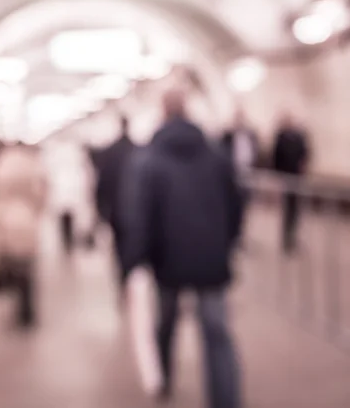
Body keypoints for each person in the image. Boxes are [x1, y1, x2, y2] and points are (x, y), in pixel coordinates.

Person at [119, 89, 243, 408]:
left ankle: (163, 380)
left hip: (166, 261)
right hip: (211, 259)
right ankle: (225, 399)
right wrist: (226, 243)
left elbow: (139, 215)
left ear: (162, 111)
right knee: (217, 332)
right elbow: (237, 205)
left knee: (166, 324)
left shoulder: (148, 159)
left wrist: (134, 260)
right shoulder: (216, 155)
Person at [0, 141, 47, 328]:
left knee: (10, 262)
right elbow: (41, 192)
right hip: (26, 217)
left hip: (4, 217)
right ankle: (27, 310)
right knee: (27, 266)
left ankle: (16, 303)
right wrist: (37, 210)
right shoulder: (32, 164)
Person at [94, 115, 136, 287]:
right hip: (133, 207)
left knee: (119, 244)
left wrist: (101, 210)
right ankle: (129, 270)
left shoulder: (110, 152)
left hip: (116, 208)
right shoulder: (137, 149)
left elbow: (102, 182)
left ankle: (123, 274)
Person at [220, 107, 260, 242]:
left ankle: (239, 235)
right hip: (231, 176)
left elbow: (256, 152)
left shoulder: (251, 135)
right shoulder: (227, 135)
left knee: (244, 207)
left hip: (247, 175)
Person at [272, 112, 310, 253]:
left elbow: (305, 153)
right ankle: (286, 239)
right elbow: (276, 157)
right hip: (286, 177)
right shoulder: (281, 137)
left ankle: (292, 237)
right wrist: (278, 175)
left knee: (295, 210)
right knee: (287, 210)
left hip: (297, 177)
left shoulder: (299, 137)